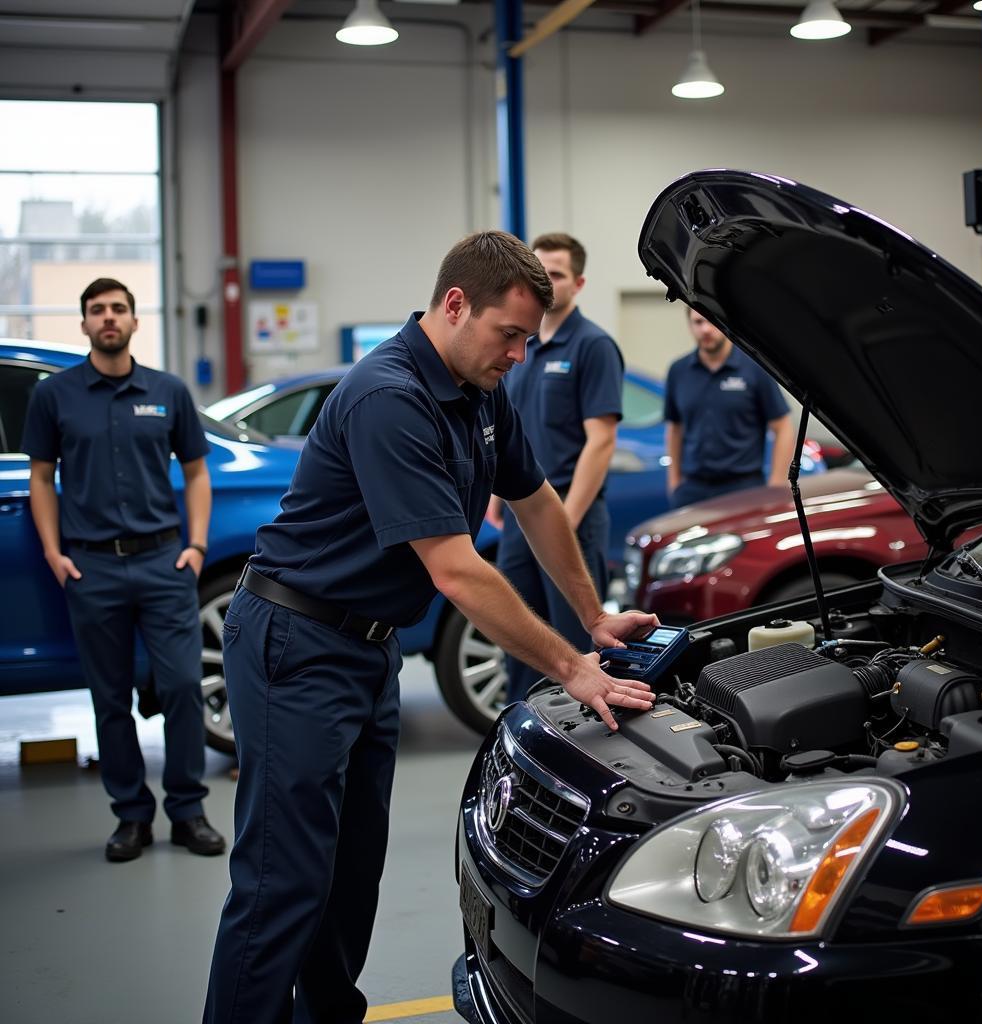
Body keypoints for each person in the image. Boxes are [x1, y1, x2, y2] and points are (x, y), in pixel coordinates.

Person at [203, 231, 657, 1024]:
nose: (520, 353)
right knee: (283, 882)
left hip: (368, 649)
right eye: (508, 334)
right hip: (296, 645)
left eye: (527, 338)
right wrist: (572, 669)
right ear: (454, 305)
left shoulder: (480, 390)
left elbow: (538, 501)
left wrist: (591, 616)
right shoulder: (391, 396)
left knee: (348, 880)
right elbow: (455, 570)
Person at [22, 278, 225, 862]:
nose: (108, 318)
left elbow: (195, 472)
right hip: (91, 568)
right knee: (109, 698)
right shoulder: (54, 396)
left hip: (165, 563)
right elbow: (40, 478)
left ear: (135, 322)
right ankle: (131, 816)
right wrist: (55, 553)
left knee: (184, 686)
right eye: (96, 311)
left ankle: (187, 810)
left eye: (118, 309)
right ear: (84, 324)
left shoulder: (168, 392)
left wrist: (196, 546)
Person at [488, 232, 624, 705]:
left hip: (570, 519)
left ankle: (580, 749)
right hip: (518, 519)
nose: (546, 279)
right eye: (538, 270)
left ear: (579, 282)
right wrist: (495, 494)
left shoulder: (593, 346)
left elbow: (601, 441)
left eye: (558, 273)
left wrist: (564, 520)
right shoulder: (520, 348)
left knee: (576, 646)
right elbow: (507, 436)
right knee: (521, 641)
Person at [664, 307, 795, 508]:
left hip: (743, 488)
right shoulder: (678, 371)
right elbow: (675, 429)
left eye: (712, 321)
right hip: (692, 490)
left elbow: (783, 427)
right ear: (690, 325)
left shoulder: (755, 368)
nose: (706, 329)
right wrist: (674, 482)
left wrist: (776, 485)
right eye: (698, 322)